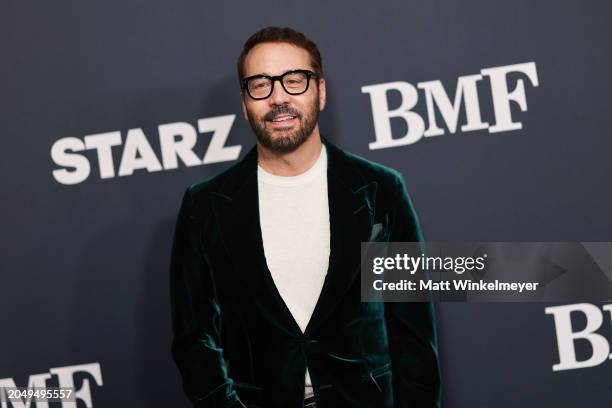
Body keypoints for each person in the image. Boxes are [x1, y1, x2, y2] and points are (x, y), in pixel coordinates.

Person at [170, 26, 440, 408]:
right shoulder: (205, 206)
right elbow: (194, 339)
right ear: (245, 102)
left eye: (294, 80)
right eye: (260, 84)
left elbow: (413, 333)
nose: (279, 97)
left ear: (321, 91)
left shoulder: (381, 190)